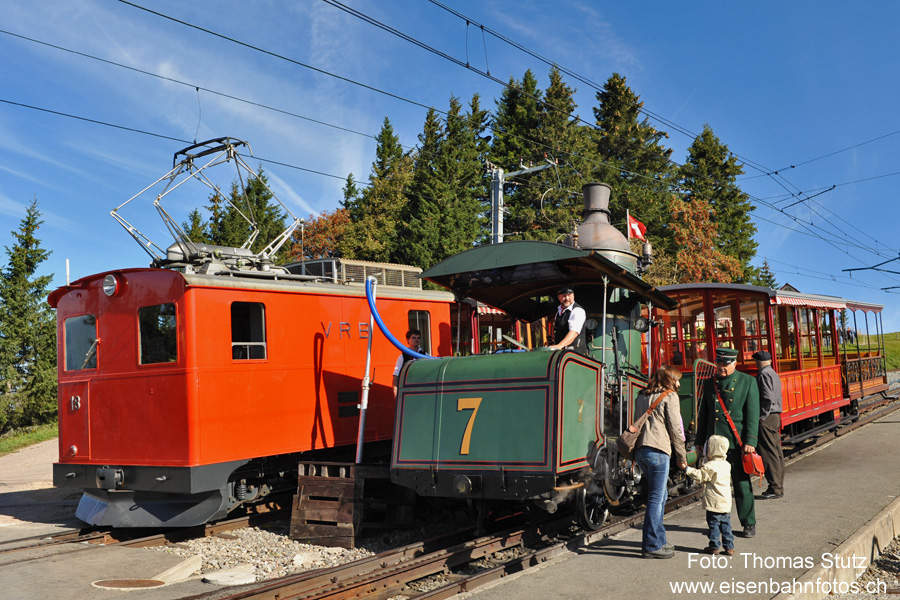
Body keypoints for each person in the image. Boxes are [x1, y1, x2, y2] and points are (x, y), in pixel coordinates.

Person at [696, 347, 760, 538]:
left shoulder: (747, 382)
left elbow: (752, 414)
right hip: (715, 444)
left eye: (725, 364)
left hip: (736, 442)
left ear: (734, 363)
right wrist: (700, 440)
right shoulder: (710, 383)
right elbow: (704, 414)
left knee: (741, 484)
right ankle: (715, 525)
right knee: (713, 487)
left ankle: (748, 522)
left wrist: (750, 440)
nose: (721, 367)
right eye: (719, 363)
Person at [631, 365, 688, 559]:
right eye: (676, 380)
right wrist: (682, 457)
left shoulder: (642, 395)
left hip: (641, 451)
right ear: (668, 380)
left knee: (661, 495)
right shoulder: (670, 397)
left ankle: (659, 539)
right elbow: (676, 430)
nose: (679, 384)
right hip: (658, 450)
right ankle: (652, 545)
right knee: (656, 498)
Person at [685, 434, 735, 556]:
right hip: (725, 503)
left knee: (714, 526)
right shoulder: (727, 465)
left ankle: (714, 546)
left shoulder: (710, 466)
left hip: (714, 503)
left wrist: (687, 469)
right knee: (726, 526)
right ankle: (729, 547)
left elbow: (701, 476)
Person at [753, 350, 785, 499]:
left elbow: (767, 398)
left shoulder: (763, 375)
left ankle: (775, 488)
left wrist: (761, 416)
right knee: (777, 453)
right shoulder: (773, 373)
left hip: (767, 417)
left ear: (759, 362)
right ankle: (778, 486)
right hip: (775, 415)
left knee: (768, 453)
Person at [548, 285, 587, 353]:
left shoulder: (577, 310)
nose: (567, 298)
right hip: (563, 354)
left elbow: (574, 333)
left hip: (576, 355)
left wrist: (559, 346)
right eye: (564, 296)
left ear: (573, 296)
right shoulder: (558, 312)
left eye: (569, 295)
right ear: (558, 297)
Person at [392, 330, 423, 398]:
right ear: (408, 340)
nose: (416, 340)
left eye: (418, 338)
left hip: (421, 389)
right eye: (413, 337)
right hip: (407, 390)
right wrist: (395, 392)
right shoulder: (402, 357)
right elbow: (396, 376)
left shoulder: (425, 355)